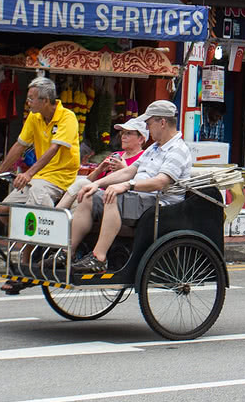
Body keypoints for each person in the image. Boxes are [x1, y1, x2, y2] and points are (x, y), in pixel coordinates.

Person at [69, 101, 190, 274]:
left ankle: (99, 257)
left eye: (149, 124)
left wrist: (126, 186)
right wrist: (95, 184)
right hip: (139, 199)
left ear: (162, 123)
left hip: (159, 205)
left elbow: (160, 182)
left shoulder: (178, 149)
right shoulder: (153, 149)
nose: (147, 128)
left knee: (114, 196)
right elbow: (129, 172)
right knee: (90, 196)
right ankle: (69, 252)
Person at [0, 77, 79, 293]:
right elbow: (20, 146)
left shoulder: (67, 117)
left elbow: (54, 149)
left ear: (45, 99)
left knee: (33, 206)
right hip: (39, 177)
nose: (28, 102)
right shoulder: (34, 117)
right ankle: (33, 246)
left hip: (60, 178)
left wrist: (29, 173)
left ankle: (28, 260)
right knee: (4, 210)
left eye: (31, 99)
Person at [57, 117, 148, 211]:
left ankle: (57, 217)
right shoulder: (115, 155)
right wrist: (99, 170)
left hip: (118, 199)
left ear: (141, 139)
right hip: (101, 195)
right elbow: (89, 181)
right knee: (83, 185)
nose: (123, 136)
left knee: (83, 188)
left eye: (128, 133)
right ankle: (59, 216)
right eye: (122, 133)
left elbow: (139, 184)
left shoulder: (144, 157)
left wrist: (123, 169)